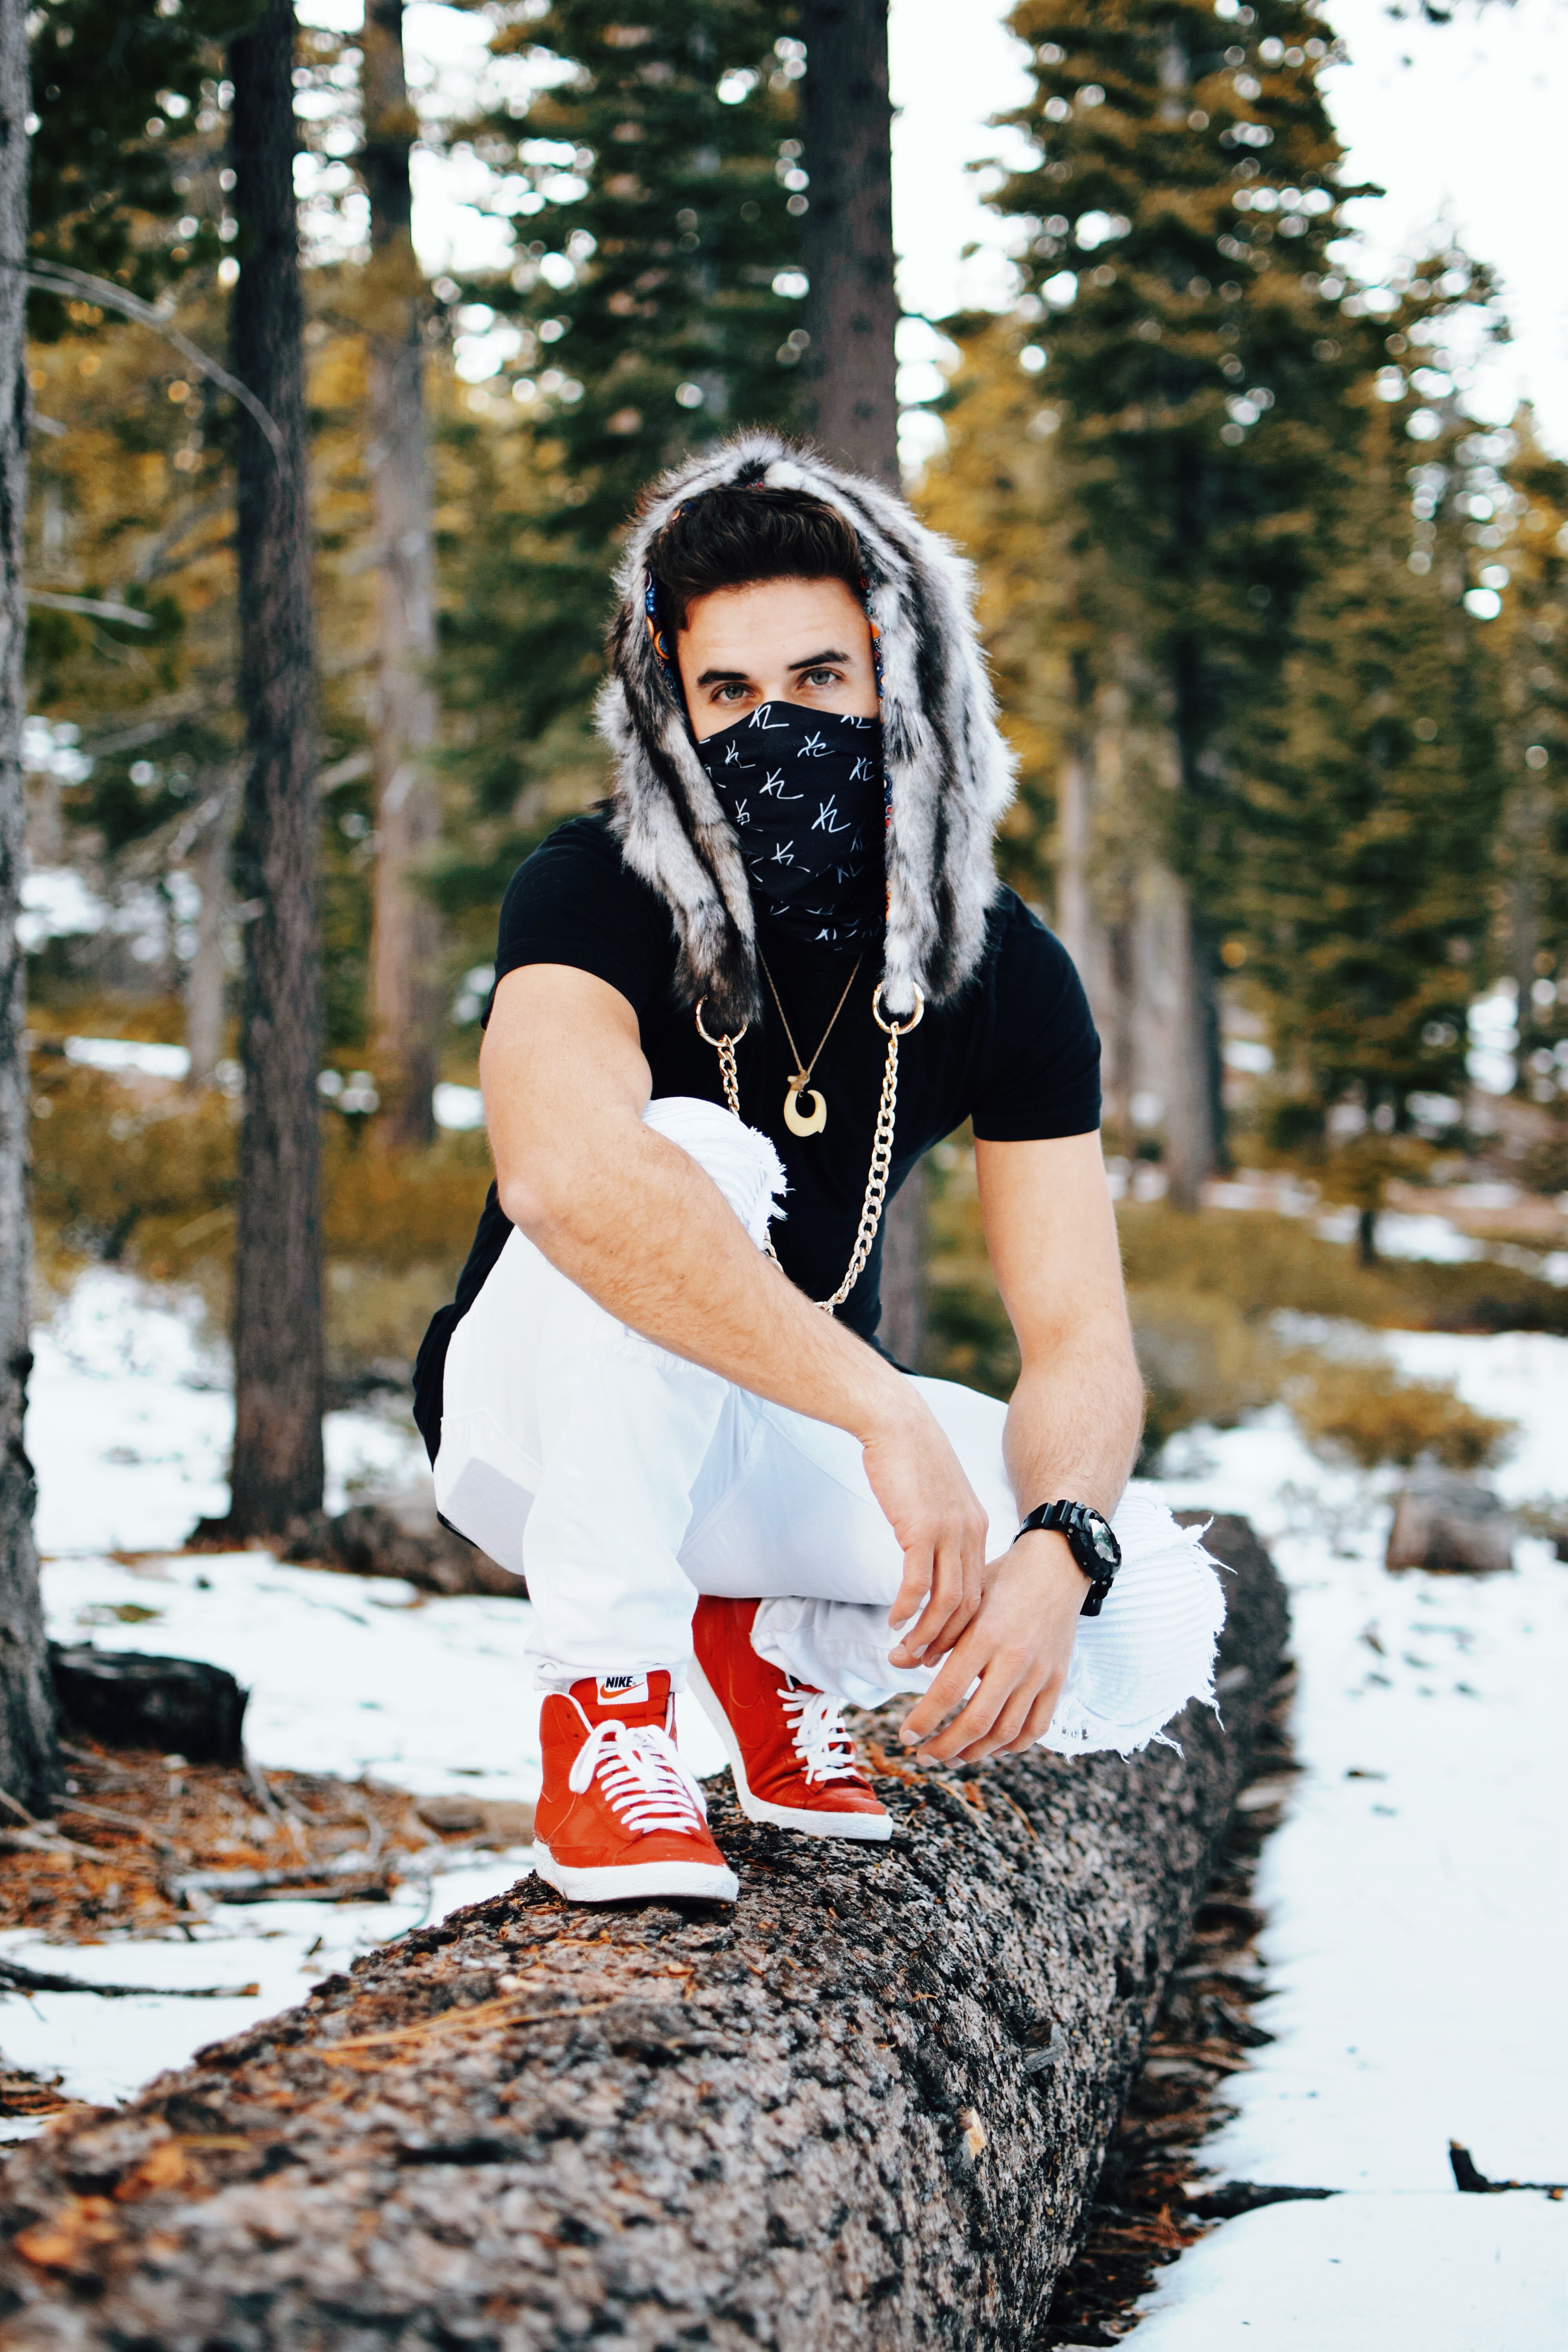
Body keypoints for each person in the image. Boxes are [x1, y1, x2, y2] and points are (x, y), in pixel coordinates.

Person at [415, 432, 1224, 1907]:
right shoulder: (594, 888)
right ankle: (604, 1709)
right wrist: (881, 1409)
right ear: (671, 714)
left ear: (906, 687)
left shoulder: (1003, 969)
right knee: (684, 1151)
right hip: (533, 1422)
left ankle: (769, 1634)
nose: (775, 728)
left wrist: (1059, 1549)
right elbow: (562, 1174)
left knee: (1146, 1595)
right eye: (727, 694)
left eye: (821, 679)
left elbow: (1079, 1340)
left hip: (770, 1435)